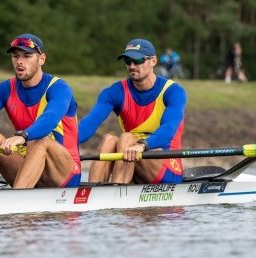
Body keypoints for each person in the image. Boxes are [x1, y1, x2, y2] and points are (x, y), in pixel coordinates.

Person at [0, 33, 80, 191]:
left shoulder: (59, 88)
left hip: (64, 173)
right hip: (27, 168)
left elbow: (50, 118)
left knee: (39, 140)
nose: (20, 61)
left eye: (27, 56)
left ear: (42, 59)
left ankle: (17, 200)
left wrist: (23, 136)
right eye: (15, 56)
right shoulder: (5, 89)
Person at [79, 38, 187, 184]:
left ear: (153, 61)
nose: (132, 65)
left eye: (138, 61)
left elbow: (168, 130)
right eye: (128, 61)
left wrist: (142, 145)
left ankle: (118, 194)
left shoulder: (173, 92)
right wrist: (66, 143)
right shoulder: (114, 92)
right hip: (131, 158)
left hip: (167, 165)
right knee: (108, 140)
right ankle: (91, 196)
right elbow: (89, 123)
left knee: (127, 138)